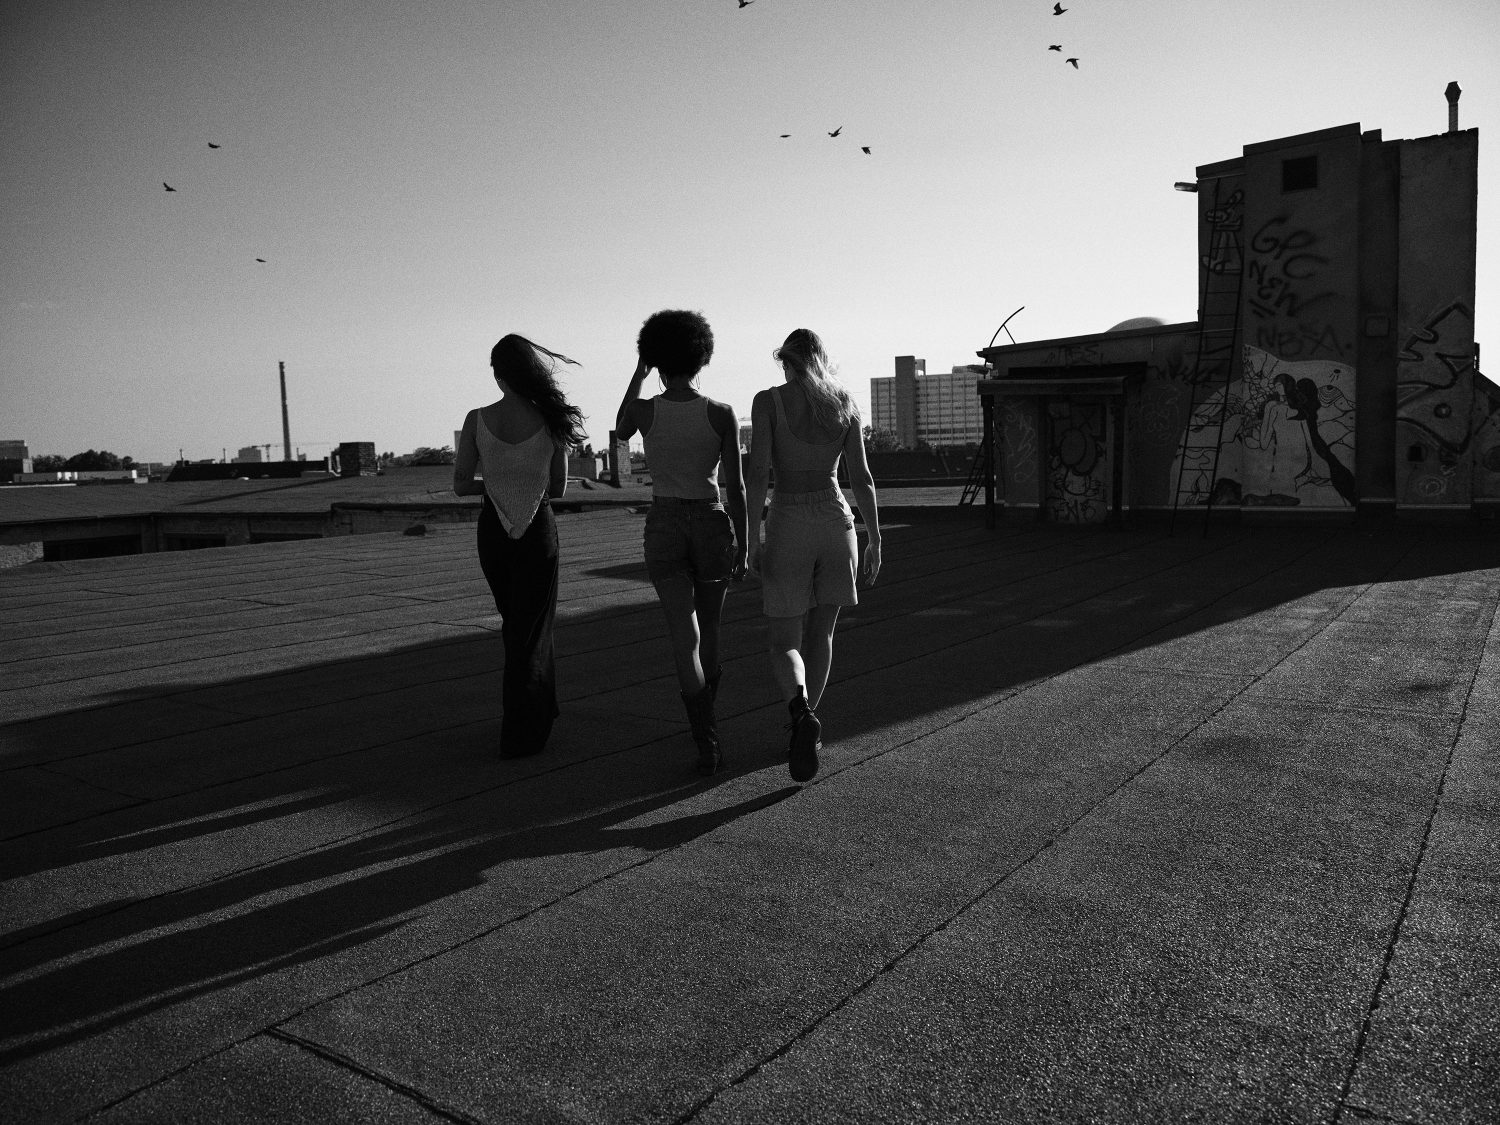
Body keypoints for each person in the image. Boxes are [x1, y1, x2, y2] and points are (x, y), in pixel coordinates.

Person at [616, 309, 748, 776]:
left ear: (658, 357)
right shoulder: (721, 413)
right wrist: (746, 541)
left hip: (665, 521)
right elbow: (737, 488)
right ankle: (709, 723)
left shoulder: (645, 410)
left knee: (682, 634)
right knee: (710, 628)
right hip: (712, 522)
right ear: (701, 356)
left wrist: (638, 370)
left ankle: (705, 738)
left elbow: (621, 429)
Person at [745, 328, 880, 783]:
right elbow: (861, 477)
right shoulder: (844, 402)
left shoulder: (768, 402)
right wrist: (875, 538)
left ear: (786, 361)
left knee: (785, 638)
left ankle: (800, 714)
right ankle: (807, 727)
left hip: (788, 520)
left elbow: (758, 473)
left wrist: (752, 539)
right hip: (836, 521)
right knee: (822, 632)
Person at [453, 334, 587, 758]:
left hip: (493, 531)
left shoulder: (476, 419)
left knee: (515, 625)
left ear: (497, 373)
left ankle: (536, 710)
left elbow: (459, 485)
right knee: (533, 627)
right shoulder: (550, 418)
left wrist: (497, 479)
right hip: (539, 531)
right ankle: (526, 727)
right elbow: (560, 488)